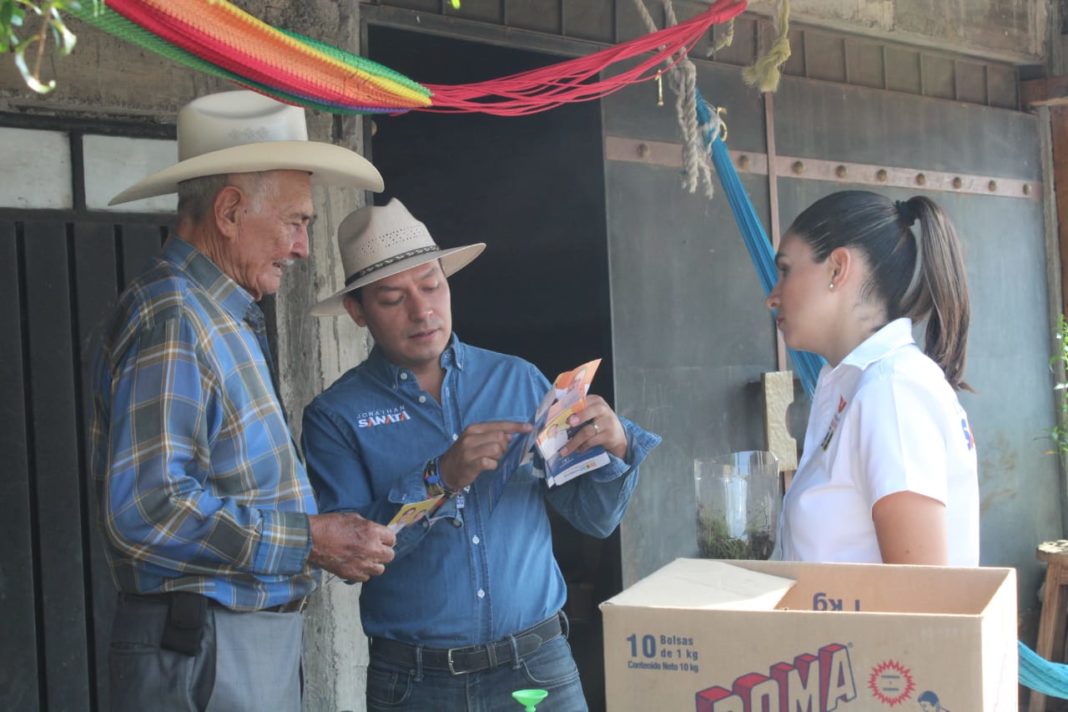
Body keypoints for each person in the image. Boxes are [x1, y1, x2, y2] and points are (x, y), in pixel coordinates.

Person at [89, 90, 397, 712]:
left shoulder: (216, 312)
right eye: (296, 221)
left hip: (230, 639)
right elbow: (148, 510)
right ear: (229, 211)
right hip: (205, 642)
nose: (304, 246)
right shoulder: (176, 314)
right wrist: (306, 539)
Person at [301, 198, 662, 711]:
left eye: (431, 285)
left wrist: (616, 445)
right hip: (416, 682)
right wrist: (440, 477)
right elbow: (351, 559)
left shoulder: (516, 380)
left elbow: (595, 518)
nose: (422, 310)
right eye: (391, 298)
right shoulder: (337, 415)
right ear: (358, 311)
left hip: (536, 665)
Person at [765, 190, 979, 566]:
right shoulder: (861, 385)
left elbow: (922, 598)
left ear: (837, 268)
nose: (773, 296)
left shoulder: (892, 391)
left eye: (785, 270)